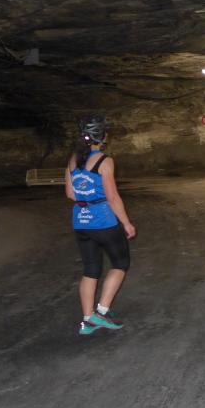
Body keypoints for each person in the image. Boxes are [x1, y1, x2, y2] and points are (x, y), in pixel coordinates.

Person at [65, 115, 136, 335]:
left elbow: (70, 194)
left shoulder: (73, 160)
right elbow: (112, 197)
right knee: (120, 263)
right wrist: (126, 223)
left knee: (91, 269)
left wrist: (85, 198)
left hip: (81, 221)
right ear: (103, 137)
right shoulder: (104, 161)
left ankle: (88, 319)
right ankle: (101, 311)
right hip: (103, 221)